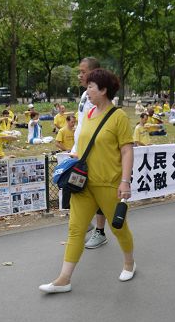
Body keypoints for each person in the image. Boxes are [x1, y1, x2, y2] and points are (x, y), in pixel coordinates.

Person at [39, 68, 135, 294]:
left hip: (109, 182)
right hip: (82, 182)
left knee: (118, 227)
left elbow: (127, 152)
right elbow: (83, 143)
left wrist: (125, 181)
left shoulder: (118, 117)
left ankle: (129, 263)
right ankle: (64, 279)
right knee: (76, 229)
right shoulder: (88, 114)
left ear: (103, 90)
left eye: (91, 86)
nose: (87, 89)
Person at [72, 57, 109, 249]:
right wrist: (75, 150)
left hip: (93, 155)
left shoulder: (100, 97)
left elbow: (97, 128)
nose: (80, 75)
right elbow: (81, 126)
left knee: (98, 192)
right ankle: (87, 225)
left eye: (83, 71)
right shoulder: (85, 96)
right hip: (80, 152)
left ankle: (100, 232)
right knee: (75, 188)